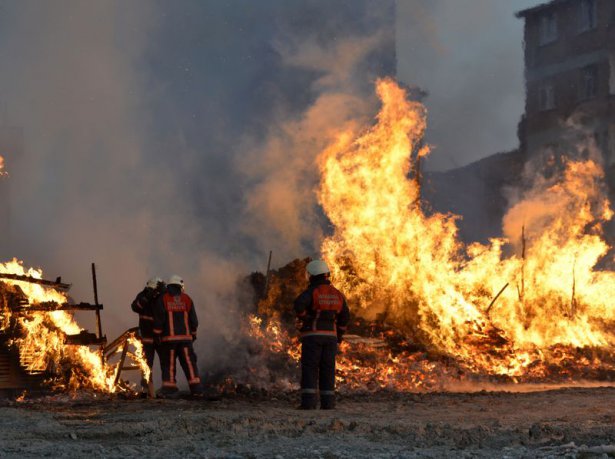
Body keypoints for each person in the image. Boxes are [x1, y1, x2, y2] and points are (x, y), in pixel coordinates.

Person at [294, 259, 350, 409]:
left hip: (313, 336)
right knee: (328, 369)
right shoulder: (337, 294)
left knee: (310, 368)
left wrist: (306, 318)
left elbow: (298, 304)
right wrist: (339, 334)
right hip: (331, 338)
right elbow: (345, 316)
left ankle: (308, 404)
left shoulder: (313, 291)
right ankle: (328, 404)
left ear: (312, 275)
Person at [153, 275, 204, 396]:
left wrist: (157, 335)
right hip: (186, 340)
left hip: (168, 340)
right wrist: (193, 334)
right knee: (189, 363)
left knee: (169, 365)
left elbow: (159, 319)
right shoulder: (187, 299)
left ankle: (169, 389)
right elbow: (194, 320)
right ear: (180, 286)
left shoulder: (163, 299)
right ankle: (196, 389)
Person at [131, 277, 164, 391]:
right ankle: (147, 388)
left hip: (160, 337)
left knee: (165, 363)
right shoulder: (143, 295)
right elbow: (135, 307)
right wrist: (147, 297)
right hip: (147, 338)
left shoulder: (161, 297)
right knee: (147, 365)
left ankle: (166, 387)